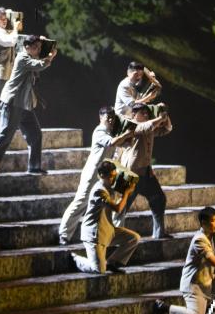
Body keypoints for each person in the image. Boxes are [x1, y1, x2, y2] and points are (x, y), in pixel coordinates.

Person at [152, 206, 215, 314]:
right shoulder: (199, 240)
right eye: (213, 221)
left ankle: (210, 311)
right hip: (194, 284)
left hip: (207, 280)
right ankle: (163, 307)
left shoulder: (213, 235)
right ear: (203, 223)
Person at [58, 107, 137, 245]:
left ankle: (112, 236)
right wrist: (126, 134)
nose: (111, 120)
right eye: (108, 117)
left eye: (113, 117)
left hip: (105, 176)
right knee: (81, 201)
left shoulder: (112, 133)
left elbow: (124, 143)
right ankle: (64, 234)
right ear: (101, 118)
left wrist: (129, 135)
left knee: (110, 205)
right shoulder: (99, 131)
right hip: (92, 174)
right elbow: (112, 142)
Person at [0, 34, 57, 174]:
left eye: (39, 47)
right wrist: (51, 57)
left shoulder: (31, 57)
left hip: (24, 103)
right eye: (35, 47)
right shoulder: (23, 58)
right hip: (13, 102)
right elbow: (40, 65)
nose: (38, 50)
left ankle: (34, 167)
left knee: (35, 134)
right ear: (26, 47)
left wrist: (45, 44)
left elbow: (39, 59)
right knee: (4, 135)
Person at [113, 102, 173, 239]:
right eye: (143, 113)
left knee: (158, 199)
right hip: (130, 174)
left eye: (147, 112)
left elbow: (167, 129)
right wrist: (160, 118)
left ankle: (159, 233)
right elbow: (147, 127)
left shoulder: (148, 126)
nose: (146, 114)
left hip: (145, 173)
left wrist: (164, 113)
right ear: (134, 114)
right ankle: (111, 236)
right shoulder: (130, 125)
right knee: (121, 207)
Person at [71, 159, 141, 274]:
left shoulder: (109, 187)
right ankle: (75, 259)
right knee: (99, 270)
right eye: (110, 177)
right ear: (102, 175)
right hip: (94, 235)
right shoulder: (99, 191)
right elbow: (117, 209)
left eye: (114, 176)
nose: (112, 179)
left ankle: (111, 263)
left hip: (107, 231)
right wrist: (126, 193)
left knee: (134, 238)